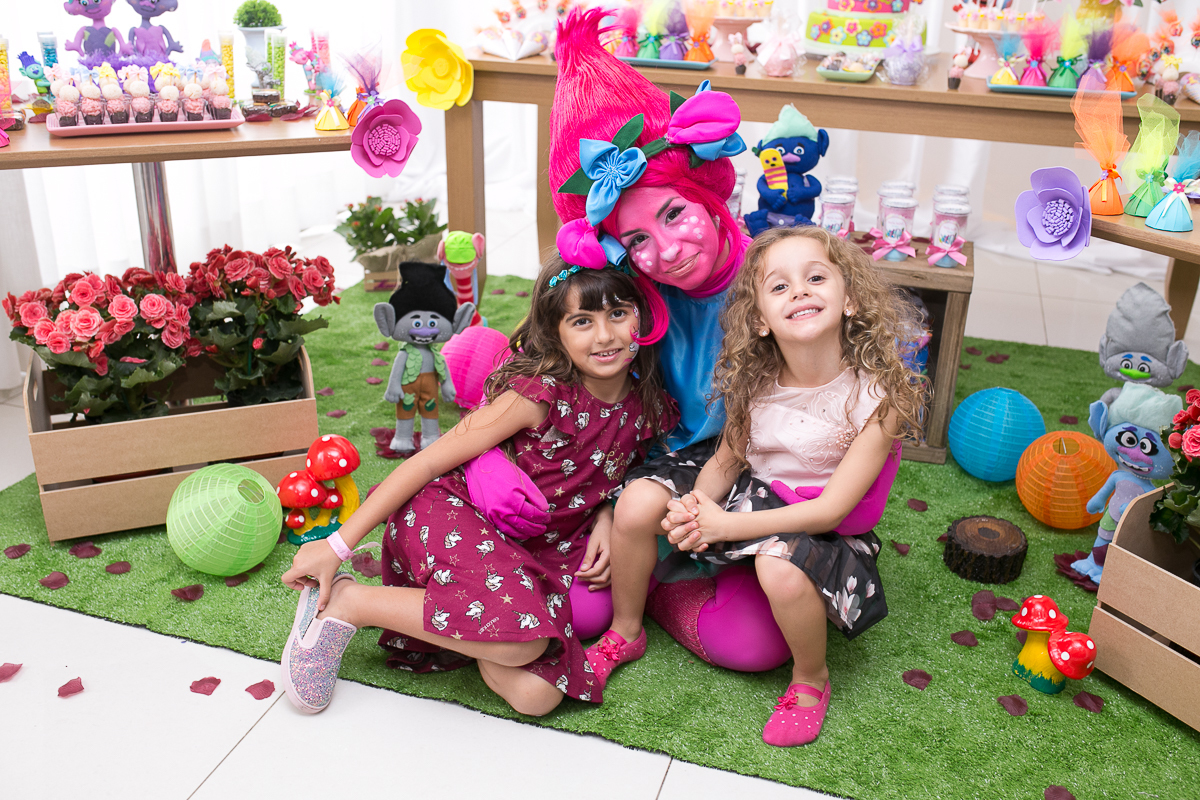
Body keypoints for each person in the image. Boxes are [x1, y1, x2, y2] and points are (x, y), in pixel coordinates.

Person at [279, 255, 676, 717]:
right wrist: (337, 546)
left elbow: (626, 471)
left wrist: (606, 513)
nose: (605, 335)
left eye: (618, 313)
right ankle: (350, 603)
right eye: (582, 321)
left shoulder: (648, 405)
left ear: (642, 316)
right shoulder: (538, 394)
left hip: (538, 548)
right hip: (451, 512)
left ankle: (480, 633)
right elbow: (428, 462)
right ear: (556, 333)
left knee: (537, 697)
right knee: (524, 644)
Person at [594, 226, 929, 747]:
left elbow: (831, 512)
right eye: (779, 286)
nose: (799, 291)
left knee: (778, 567)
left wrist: (724, 525)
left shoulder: (879, 397)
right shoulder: (755, 382)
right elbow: (727, 461)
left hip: (819, 526)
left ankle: (810, 680)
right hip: (752, 497)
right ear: (759, 320)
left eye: (815, 278)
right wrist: (695, 506)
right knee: (641, 506)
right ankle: (626, 629)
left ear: (851, 299)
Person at [551, 8, 793, 664]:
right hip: (668, 465)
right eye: (636, 239)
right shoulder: (634, 298)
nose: (666, 251)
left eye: (674, 214)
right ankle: (652, 584)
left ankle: (671, 573)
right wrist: (607, 507)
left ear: (706, 194)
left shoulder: (778, 279)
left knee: (752, 644)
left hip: (766, 467)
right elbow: (598, 399)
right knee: (582, 611)